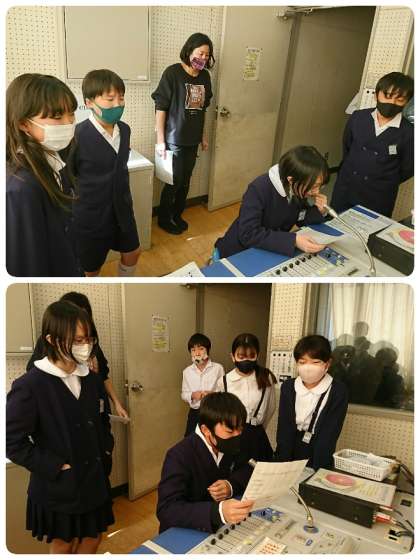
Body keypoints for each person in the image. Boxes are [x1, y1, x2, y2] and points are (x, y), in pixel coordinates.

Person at [6, 301, 114, 553]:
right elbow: (11, 442)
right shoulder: (30, 385)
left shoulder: (91, 379)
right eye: (77, 340)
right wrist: (55, 466)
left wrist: (107, 447)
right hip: (59, 484)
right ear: (52, 340)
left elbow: (102, 419)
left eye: (88, 339)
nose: (85, 346)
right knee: (63, 544)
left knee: (93, 538)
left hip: (94, 479)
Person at [6, 73, 81, 277]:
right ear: (23, 123)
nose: (69, 123)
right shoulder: (21, 187)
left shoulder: (55, 155)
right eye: (57, 117)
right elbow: (28, 263)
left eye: (71, 114)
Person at [72, 69, 140, 276]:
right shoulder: (77, 135)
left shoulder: (125, 130)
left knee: (133, 252)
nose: (117, 104)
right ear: (89, 102)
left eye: (121, 98)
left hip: (122, 210)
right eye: (110, 99)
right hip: (91, 216)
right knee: (91, 268)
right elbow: (69, 178)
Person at [157, 392, 254, 533]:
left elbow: (248, 468)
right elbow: (167, 509)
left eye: (240, 429)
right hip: (187, 530)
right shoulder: (179, 455)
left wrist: (231, 485)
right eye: (230, 431)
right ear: (206, 430)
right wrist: (217, 512)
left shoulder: (235, 437)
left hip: (225, 525)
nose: (237, 435)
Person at [214, 146, 330, 260]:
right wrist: (293, 240)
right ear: (291, 180)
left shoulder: (297, 189)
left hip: (268, 248)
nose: (317, 192)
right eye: (313, 186)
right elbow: (248, 234)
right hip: (237, 252)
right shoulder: (259, 188)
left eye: (320, 186)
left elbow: (300, 218)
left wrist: (319, 211)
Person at [26, 291, 128, 418]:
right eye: (78, 340)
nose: (85, 345)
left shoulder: (91, 344)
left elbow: (104, 375)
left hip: (94, 402)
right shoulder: (31, 382)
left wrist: (117, 404)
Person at [151, 33, 214, 234]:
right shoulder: (172, 73)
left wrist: (203, 136)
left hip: (192, 139)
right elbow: (161, 108)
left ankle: (177, 215)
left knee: (186, 181)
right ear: (189, 51)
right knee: (174, 181)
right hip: (174, 139)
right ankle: (164, 219)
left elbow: (203, 109)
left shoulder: (205, 77)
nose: (203, 58)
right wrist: (160, 141)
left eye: (207, 55)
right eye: (200, 53)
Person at [330, 72, 414, 217]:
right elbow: (347, 148)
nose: (392, 103)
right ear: (376, 95)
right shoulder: (358, 117)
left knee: (371, 230)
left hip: (378, 196)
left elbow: (408, 168)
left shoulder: (409, 132)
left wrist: (383, 180)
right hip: (346, 187)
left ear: (406, 102)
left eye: (399, 99)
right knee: (336, 225)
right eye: (387, 96)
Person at [274, 335, 348, 470]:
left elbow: (330, 433)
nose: (308, 367)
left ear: (327, 363)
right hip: (290, 445)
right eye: (302, 362)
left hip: (319, 448)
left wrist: (319, 469)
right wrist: (281, 461)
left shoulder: (338, 391)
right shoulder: (288, 387)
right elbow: (284, 427)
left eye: (315, 362)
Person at [217, 333, 276, 461]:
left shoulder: (266, 377)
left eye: (251, 356)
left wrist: (256, 426)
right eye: (241, 356)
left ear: (257, 355)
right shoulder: (224, 381)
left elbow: (270, 408)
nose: (246, 360)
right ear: (233, 357)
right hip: (232, 435)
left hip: (257, 435)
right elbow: (221, 412)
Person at [181, 333, 224, 436]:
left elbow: (224, 392)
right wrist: (192, 395)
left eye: (201, 349)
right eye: (193, 350)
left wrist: (213, 395)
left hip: (213, 412)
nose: (197, 353)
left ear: (207, 350)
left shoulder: (218, 368)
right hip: (195, 413)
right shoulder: (187, 371)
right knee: (191, 441)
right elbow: (183, 394)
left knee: (213, 440)